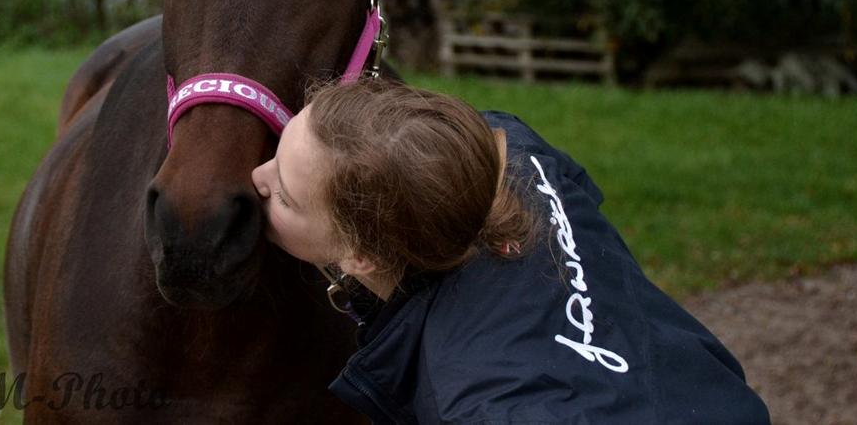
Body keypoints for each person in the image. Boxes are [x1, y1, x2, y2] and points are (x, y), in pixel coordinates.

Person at [251, 79, 771, 424]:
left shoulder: (481, 405)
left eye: (286, 197)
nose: (257, 179)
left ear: (362, 255)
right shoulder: (513, 154)